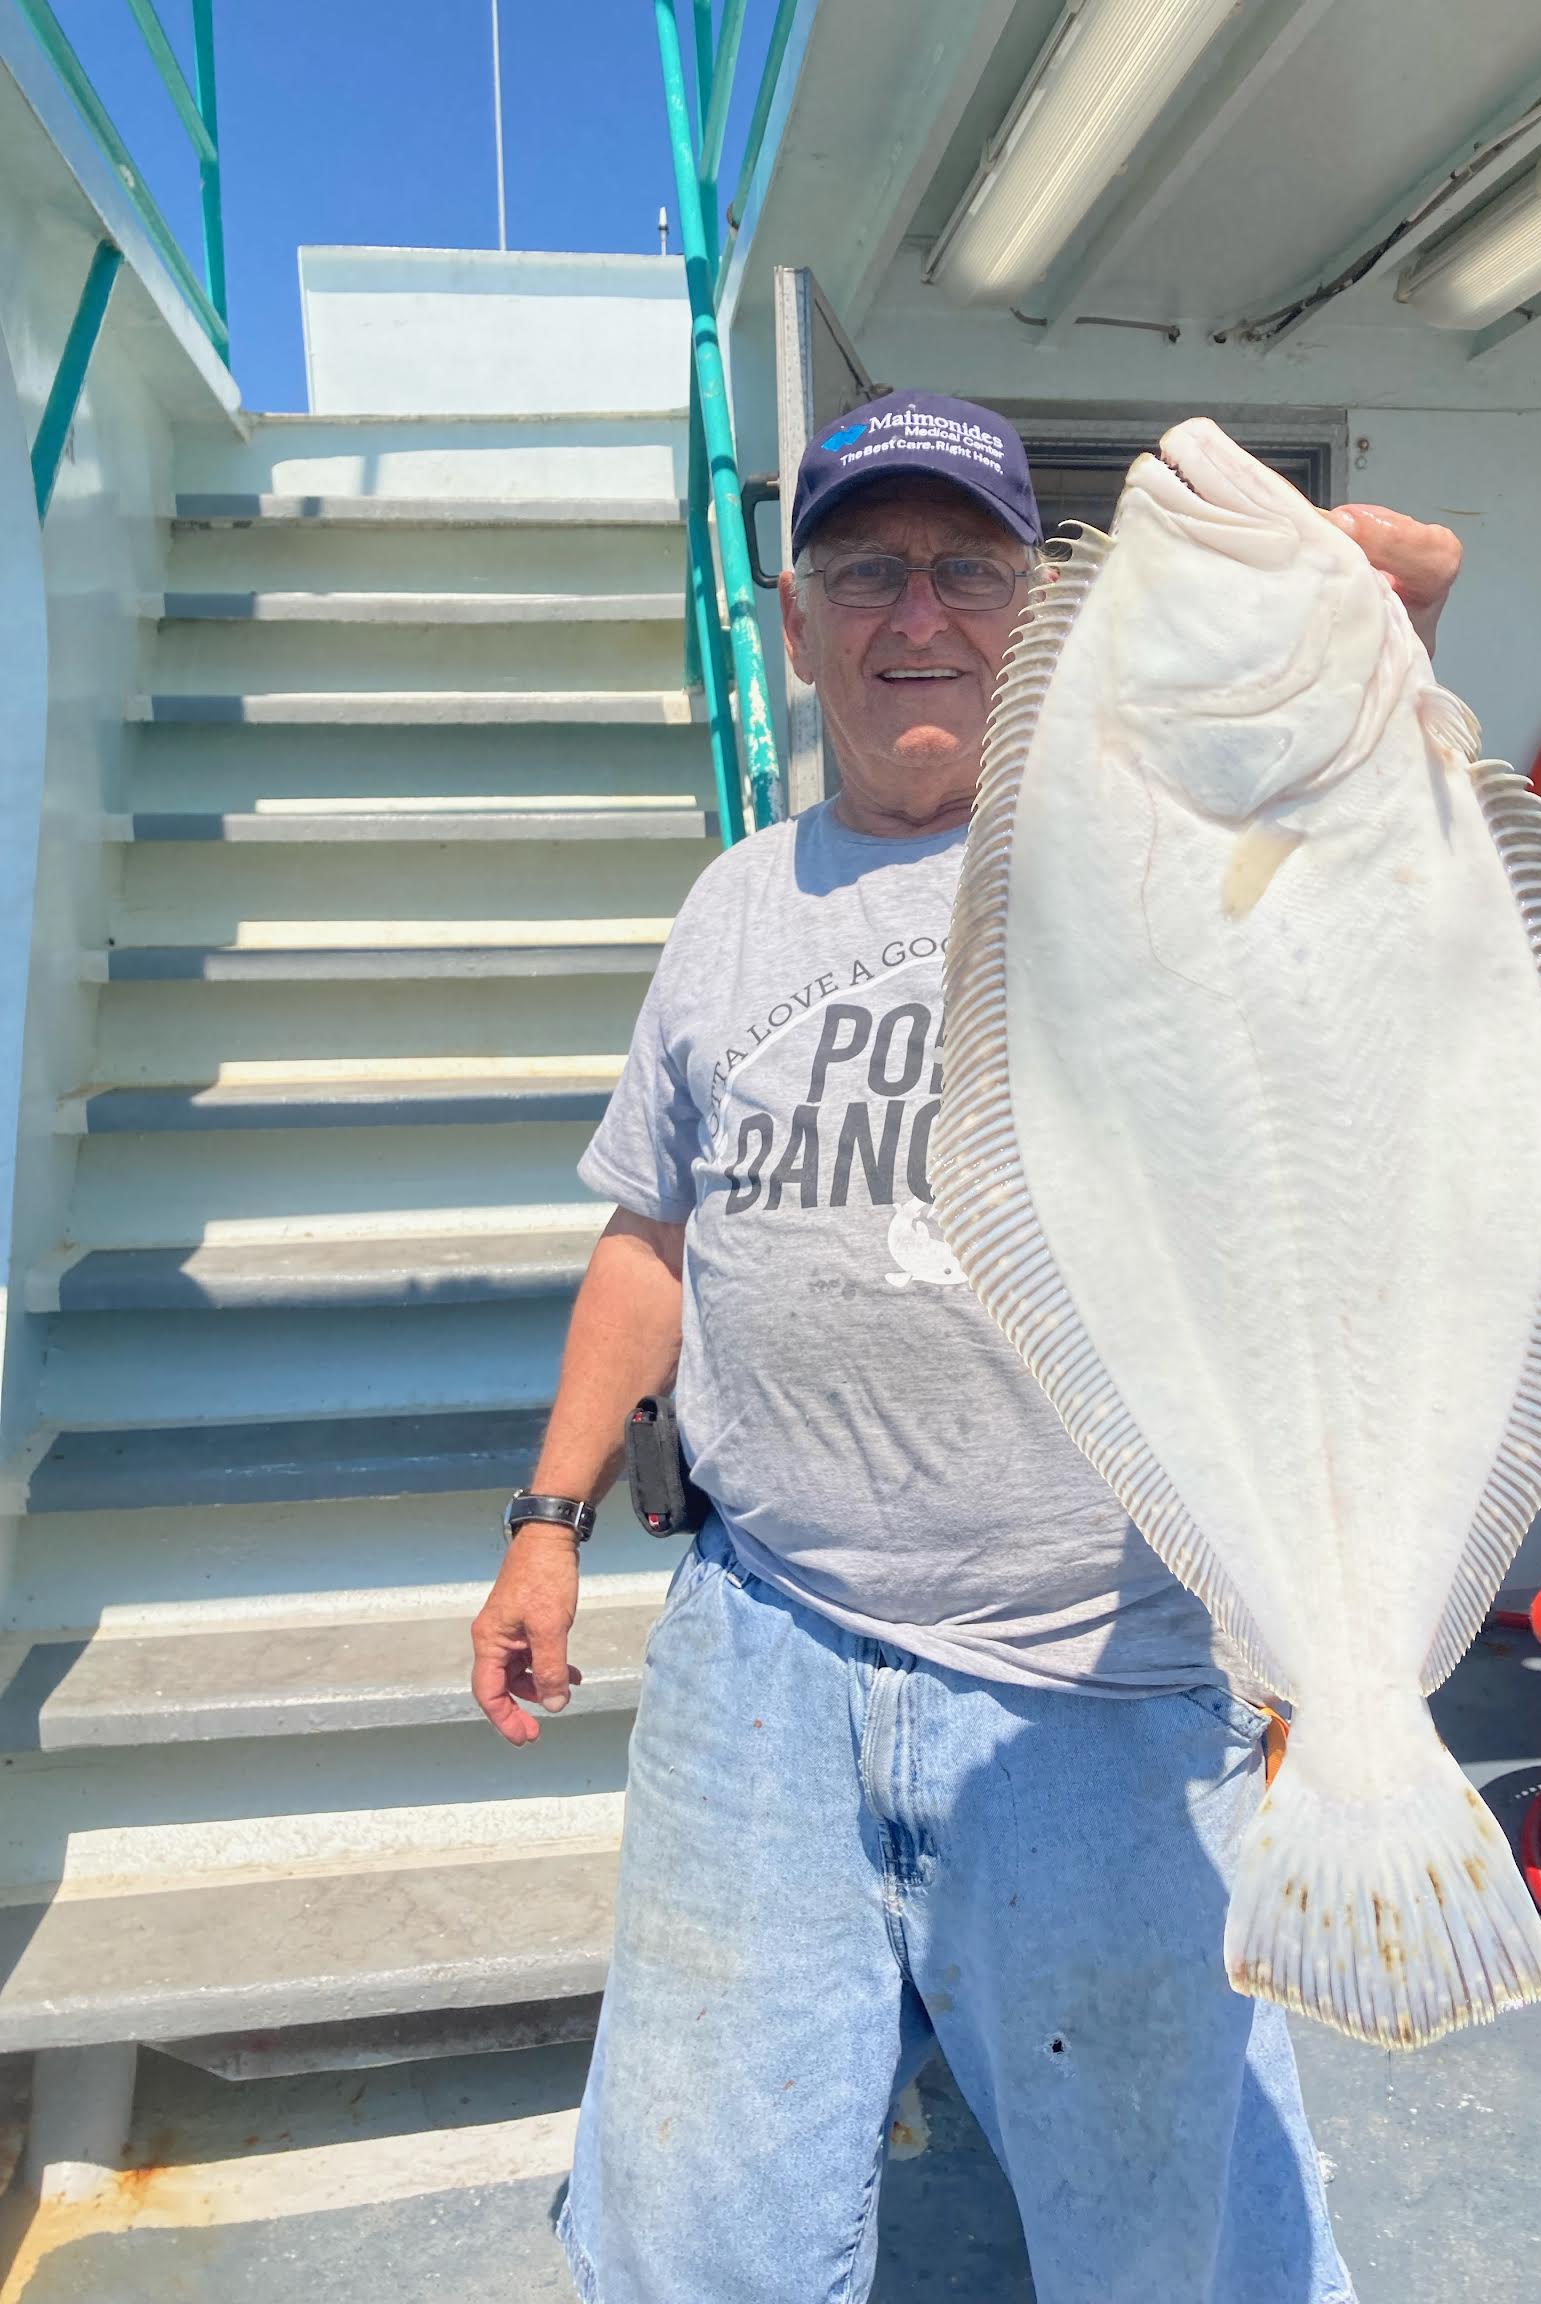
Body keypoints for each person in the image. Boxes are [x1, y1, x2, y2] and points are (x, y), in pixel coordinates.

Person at [470, 391, 1463, 2304]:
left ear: (1039, 612)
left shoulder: (1158, 849)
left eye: (968, 569)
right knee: (699, 2238)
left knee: (1178, 2251)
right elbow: (650, 1234)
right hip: (765, 1660)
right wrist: (546, 1513)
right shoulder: (732, 909)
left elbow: (1391, 669)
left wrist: (1339, 616)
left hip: (1100, 1683)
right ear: (800, 621)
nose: (916, 609)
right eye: (867, 569)